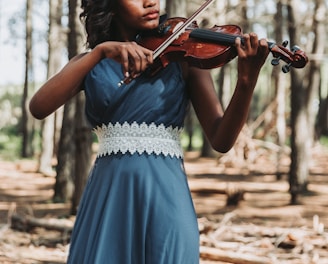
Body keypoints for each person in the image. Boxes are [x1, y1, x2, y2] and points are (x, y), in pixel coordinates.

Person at [29, 0, 269, 262]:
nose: (150, 1)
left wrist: (247, 81)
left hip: (167, 197)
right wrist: (99, 53)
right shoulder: (91, 62)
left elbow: (221, 140)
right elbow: (39, 106)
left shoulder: (185, 56)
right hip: (109, 198)